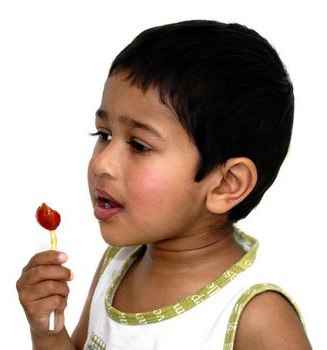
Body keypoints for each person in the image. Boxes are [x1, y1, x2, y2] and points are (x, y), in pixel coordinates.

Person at [16, 20, 312, 349]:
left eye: (140, 146)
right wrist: (48, 333)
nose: (101, 163)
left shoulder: (256, 318)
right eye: (105, 135)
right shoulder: (117, 263)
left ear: (226, 184)